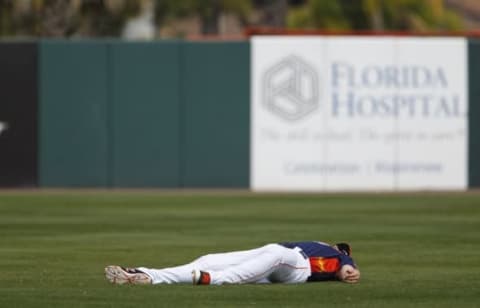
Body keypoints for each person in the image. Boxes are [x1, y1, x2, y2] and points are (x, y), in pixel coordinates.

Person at [105, 241, 360, 285]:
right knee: (210, 259)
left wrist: (346, 268)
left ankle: (213, 280)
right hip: (273, 254)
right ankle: (148, 275)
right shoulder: (319, 243)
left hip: (297, 266)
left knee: (277, 255)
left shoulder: (337, 256)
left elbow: (347, 269)